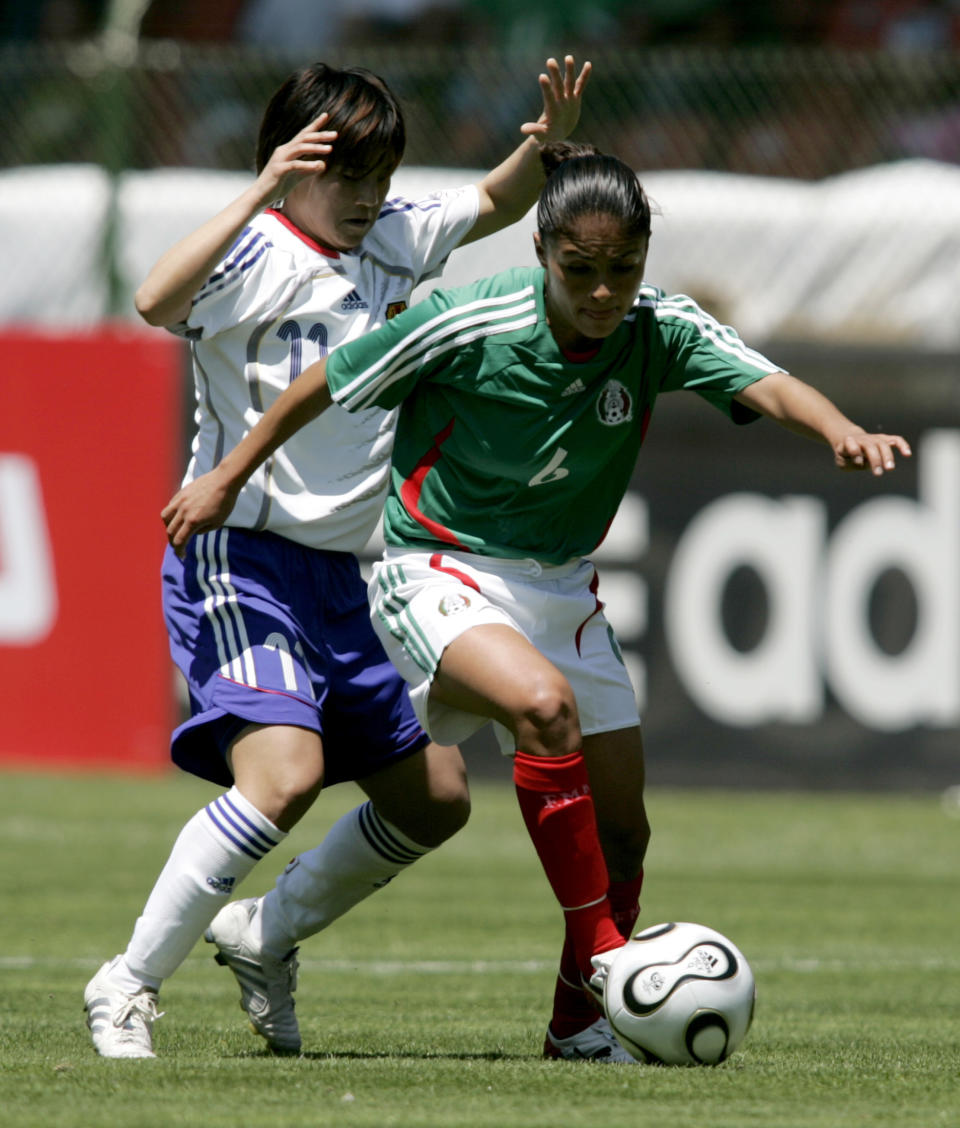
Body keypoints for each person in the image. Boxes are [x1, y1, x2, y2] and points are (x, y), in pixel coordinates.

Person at [158, 142, 912, 1064]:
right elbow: (325, 380)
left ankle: (577, 1027)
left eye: (622, 270)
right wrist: (228, 476)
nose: (603, 292)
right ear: (544, 255)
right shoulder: (471, 319)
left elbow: (768, 380)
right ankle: (608, 959)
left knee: (624, 833)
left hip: (561, 586)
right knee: (541, 707)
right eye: (581, 271)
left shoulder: (661, 328)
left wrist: (840, 429)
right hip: (438, 569)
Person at [84, 56, 592, 1060]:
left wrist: (550, 135)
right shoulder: (257, 249)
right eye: (345, 174)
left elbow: (496, 199)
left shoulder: (396, 236)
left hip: (353, 579)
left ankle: (265, 935)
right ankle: (127, 984)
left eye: (381, 175)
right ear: (295, 163)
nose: (367, 197)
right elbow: (151, 299)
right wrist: (264, 188)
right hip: (242, 559)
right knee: (284, 777)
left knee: (435, 801)